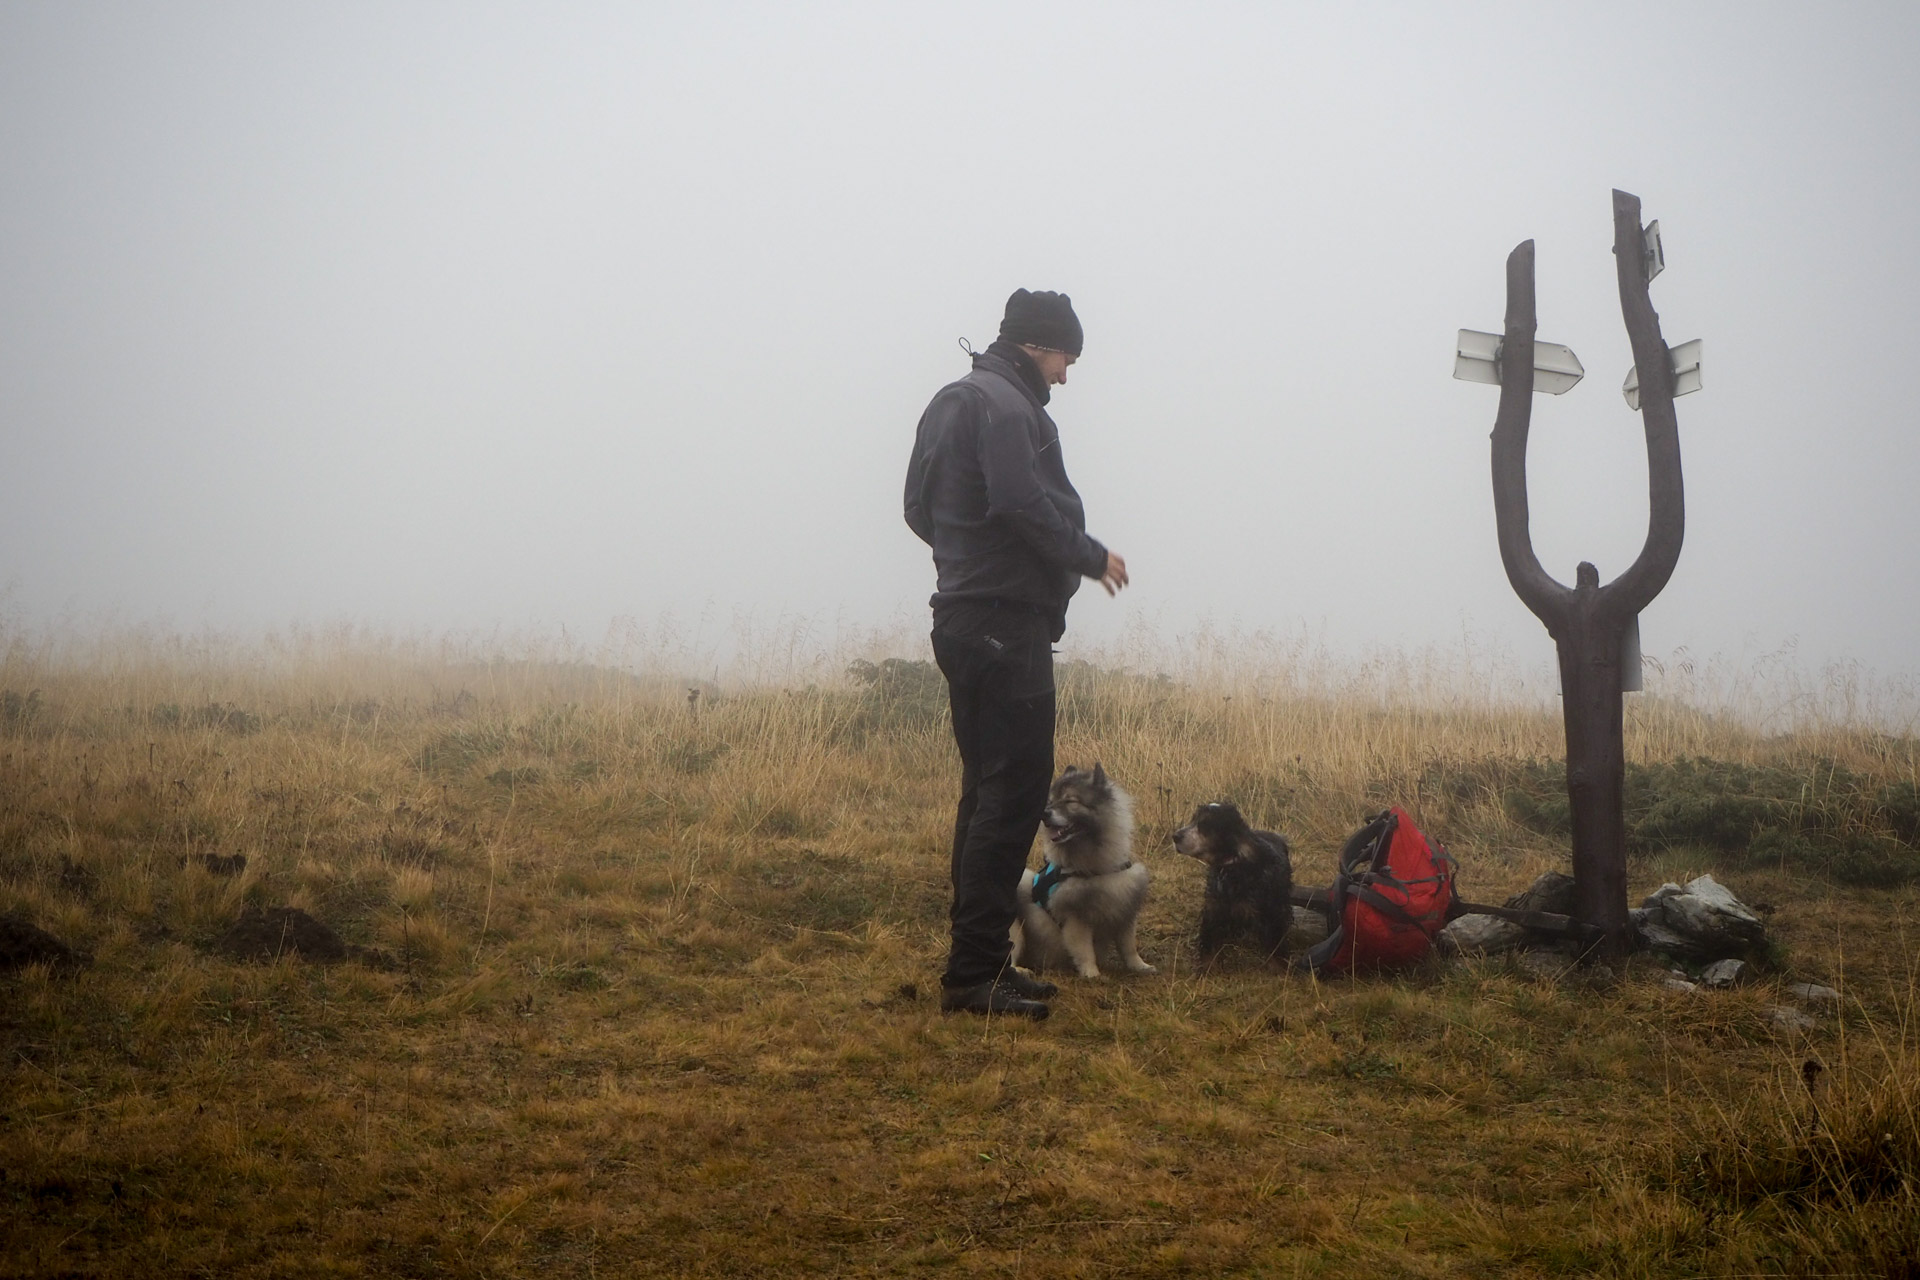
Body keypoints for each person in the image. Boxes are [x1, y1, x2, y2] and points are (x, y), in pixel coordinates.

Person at [904, 288, 1129, 1020]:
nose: (1066, 375)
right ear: (1039, 345)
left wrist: (965, 564)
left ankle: (981, 965)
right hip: (1006, 626)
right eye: (1067, 357)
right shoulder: (1005, 405)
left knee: (986, 792)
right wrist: (1088, 556)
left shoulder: (954, 399)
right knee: (1012, 797)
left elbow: (916, 506)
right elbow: (1018, 500)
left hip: (961, 619)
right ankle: (974, 978)